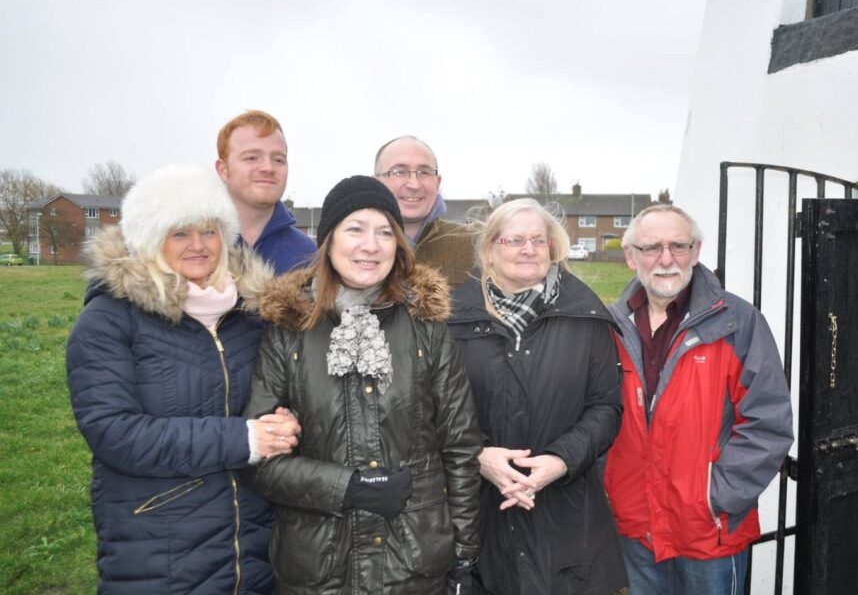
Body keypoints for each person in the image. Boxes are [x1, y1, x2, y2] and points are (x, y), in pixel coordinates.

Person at [66, 165, 302, 593]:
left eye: (210, 231)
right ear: (151, 240)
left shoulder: (250, 316)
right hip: (162, 546)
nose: (199, 245)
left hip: (256, 544)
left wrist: (285, 420)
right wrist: (245, 440)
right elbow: (115, 432)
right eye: (180, 233)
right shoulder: (109, 321)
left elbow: (278, 396)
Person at [242, 175, 483, 594]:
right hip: (318, 569)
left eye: (384, 232)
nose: (370, 245)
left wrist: (464, 551)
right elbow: (260, 460)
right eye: (355, 229)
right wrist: (347, 488)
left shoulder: (426, 326)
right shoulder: (289, 328)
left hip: (412, 564)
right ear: (329, 240)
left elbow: (460, 445)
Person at [603, 204, 794, 595]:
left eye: (679, 245)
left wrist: (715, 498)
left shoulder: (737, 321)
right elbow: (598, 414)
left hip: (709, 532)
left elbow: (768, 423)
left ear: (696, 251)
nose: (666, 259)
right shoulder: (610, 325)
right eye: (652, 247)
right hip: (636, 528)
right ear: (630, 256)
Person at [448, 198, 627, 595]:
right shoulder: (449, 318)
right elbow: (428, 410)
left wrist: (561, 461)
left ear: (553, 248)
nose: (528, 249)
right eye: (514, 240)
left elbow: (606, 407)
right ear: (489, 250)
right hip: (476, 512)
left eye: (538, 240)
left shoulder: (587, 316)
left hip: (565, 514)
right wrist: (479, 456)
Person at [216, 110, 316, 274]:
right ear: (223, 170)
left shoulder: (308, 255)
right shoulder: (195, 247)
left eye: (278, 159)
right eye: (252, 158)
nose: (268, 168)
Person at [374, 135, 476, 286]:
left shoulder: (474, 245)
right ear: (376, 182)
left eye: (424, 172)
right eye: (399, 172)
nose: (414, 185)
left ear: (437, 182)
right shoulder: (348, 248)